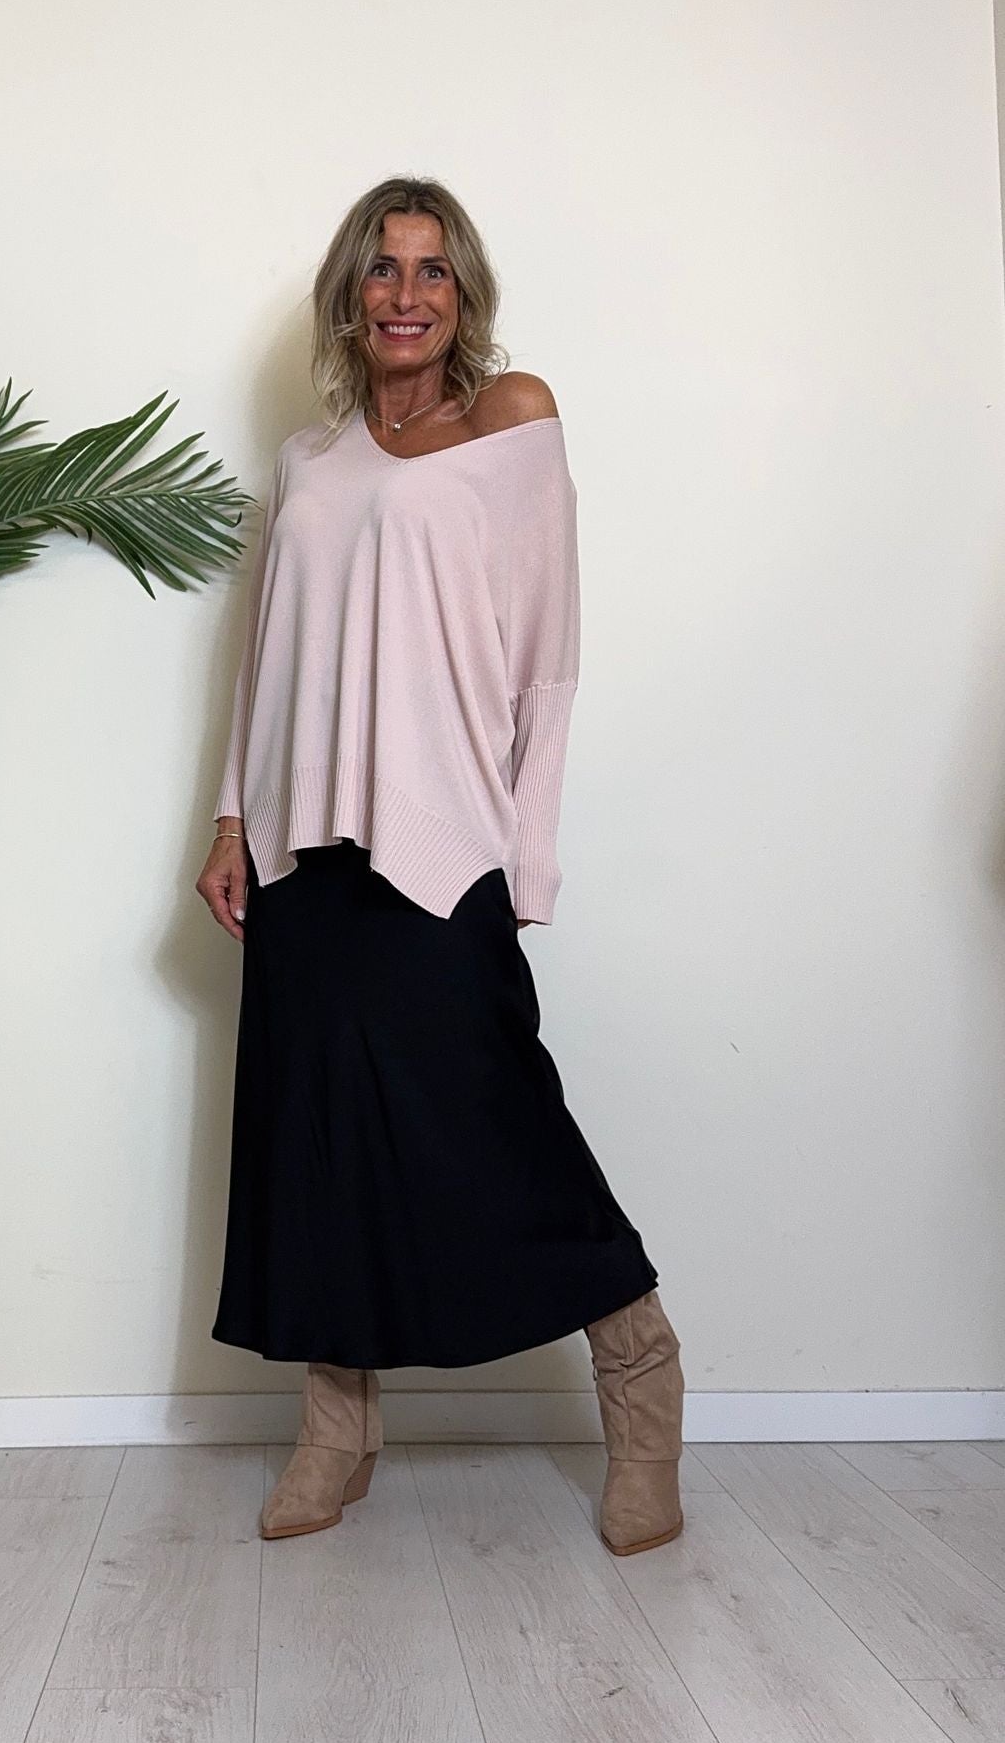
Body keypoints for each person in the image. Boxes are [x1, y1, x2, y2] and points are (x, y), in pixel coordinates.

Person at [196, 175, 683, 1556]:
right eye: (382, 268)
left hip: (443, 837)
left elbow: (549, 659)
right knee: (316, 1135)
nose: (406, 294)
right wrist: (231, 822)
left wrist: (525, 859)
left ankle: (644, 1388)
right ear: (348, 295)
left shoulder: (509, 417)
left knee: (498, 1120)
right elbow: (266, 655)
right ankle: (335, 1428)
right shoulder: (308, 457)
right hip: (304, 841)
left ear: (463, 295)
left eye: (432, 271)